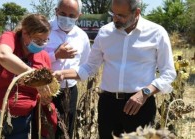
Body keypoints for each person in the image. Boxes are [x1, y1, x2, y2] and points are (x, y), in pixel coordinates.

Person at [53, 0, 177, 138]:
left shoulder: (157, 33)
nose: (115, 19)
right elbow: (90, 66)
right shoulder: (105, 32)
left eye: (121, 15)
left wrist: (145, 92)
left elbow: (168, 73)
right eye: (113, 13)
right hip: (108, 105)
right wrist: (63, 74)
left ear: (136, 12)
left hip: (140, 105)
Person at [0, 14, 57, 139]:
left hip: (20, 122)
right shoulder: (10, 38)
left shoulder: (44, 57)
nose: (42, 44)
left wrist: (45, 97)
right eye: (38, 40)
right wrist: (34, 76)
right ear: (25, 33)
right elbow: (3, 56)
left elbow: (42, 90)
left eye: (45, 40)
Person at [44, 0, 91, 138]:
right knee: (43, 131)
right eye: (63, 13)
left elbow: (84, 65)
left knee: (65, 131)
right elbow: (33, 59)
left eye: (72, 15)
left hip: (68, 91)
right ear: (56, 11)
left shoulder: (82, 37)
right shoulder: (44, 30)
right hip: (44, 90)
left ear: (79, 15)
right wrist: (55, 55)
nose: (67, 18)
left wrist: (66, 75)